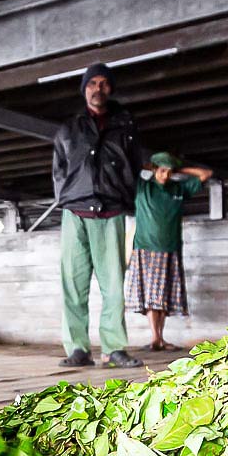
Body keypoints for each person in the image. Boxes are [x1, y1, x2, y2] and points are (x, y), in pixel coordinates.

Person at [50, 62, 147, 369]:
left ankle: (114, 348)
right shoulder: (69, 128)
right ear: (84, 89)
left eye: (104, 83)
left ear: (111, 89)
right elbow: (59, 170)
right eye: (92, 83)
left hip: (111, 212)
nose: (98, 89)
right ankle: (78, 348)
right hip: (75, 212)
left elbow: (133, 164)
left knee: (114, 285)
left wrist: (122, 194)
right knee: (73, 285)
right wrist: (67, 196)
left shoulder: (125, 127)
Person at [124, 151, 214, 351]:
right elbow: (129, 167)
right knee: (151, 297)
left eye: (169, 172)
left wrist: (178, 169)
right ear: (155, 170)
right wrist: (153, 166)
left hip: (171, 249)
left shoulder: (178, 188)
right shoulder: (143, 188)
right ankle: (155, 338)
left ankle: (160, 338)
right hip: (146, 249)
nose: (165, 176)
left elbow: (206, 174)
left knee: (163, 298)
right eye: (162, 171)